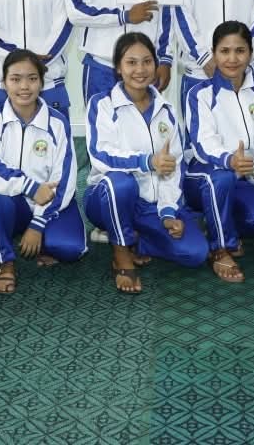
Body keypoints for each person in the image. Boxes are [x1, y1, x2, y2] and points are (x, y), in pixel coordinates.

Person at [84, 32, 210, 293]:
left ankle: (135, 238)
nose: (140, 70)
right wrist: (146, 161)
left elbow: (174, 167)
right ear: (118, 68)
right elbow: (100, 155)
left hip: (151, 205)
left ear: (155, 64)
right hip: (107, 198)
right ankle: (121, 254)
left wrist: (167, 212)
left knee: (195, 253)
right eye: (131, 63)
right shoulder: (102, 104)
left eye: (147, 62)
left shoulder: (168, 110)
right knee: (121, 183)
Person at [0, 49, 87, 294]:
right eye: (15, 79)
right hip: (13, 201)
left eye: (32, 78)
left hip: (50, 202)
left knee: (71, 250)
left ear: (42, 82)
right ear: (4, 83)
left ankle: (39, 236)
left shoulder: (58, 122)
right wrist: (31, 187)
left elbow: (65, 178)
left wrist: (38, 222)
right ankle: (6, 260)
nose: (24, 87)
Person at [185, 21, 254, 281]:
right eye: (224, 51)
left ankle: (216, 220)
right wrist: (229, 160)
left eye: (240, 51)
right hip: (206, 175)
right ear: (214, 53)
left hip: (247, 176)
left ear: (251, 53)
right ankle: (221, 247)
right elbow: (202, 143)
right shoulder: (199, 94)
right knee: (221, 178)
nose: (232, 59)